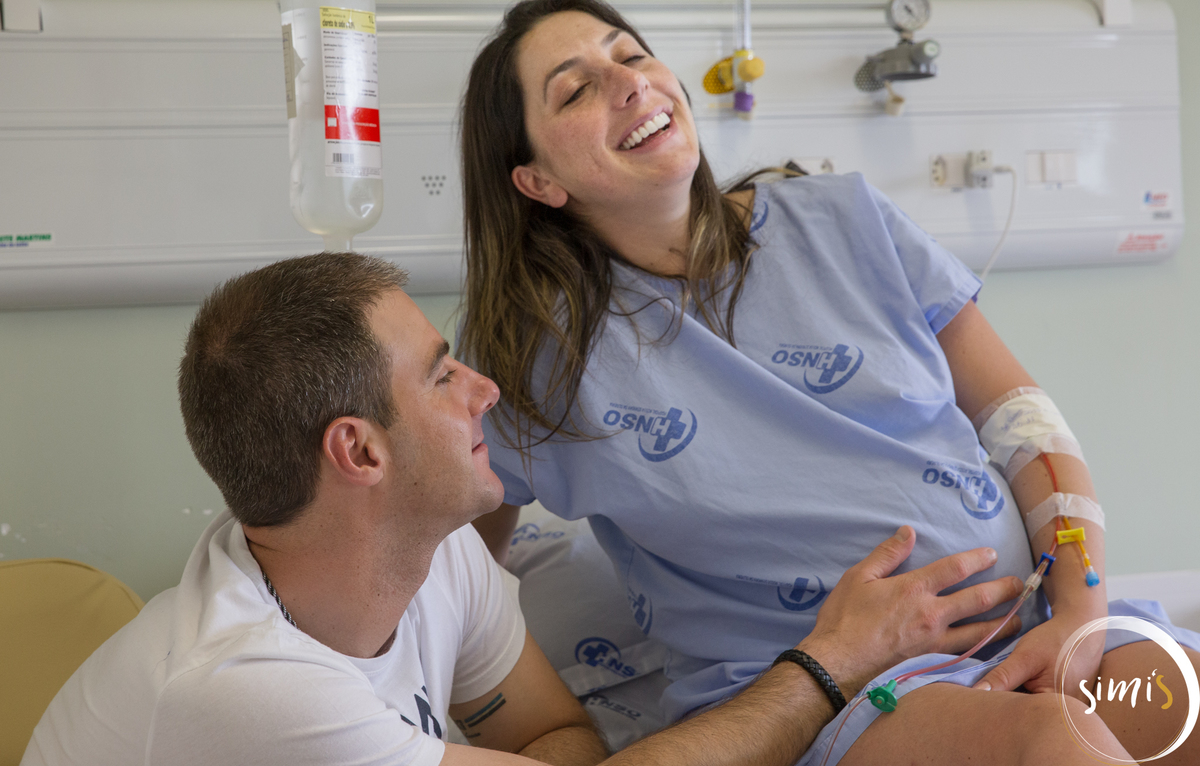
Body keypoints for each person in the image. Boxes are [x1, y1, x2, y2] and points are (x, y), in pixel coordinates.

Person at [457, 0, 1200, 766]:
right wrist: (531, 730)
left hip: (1037, 621)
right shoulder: (536, 361)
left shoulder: (847, 219)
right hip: (838, 697)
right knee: (1051, 742)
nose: (629, 82)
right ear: (536, 181)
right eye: (575, 89)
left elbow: (1022, 420)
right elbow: (454, 580)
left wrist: (1079, 610)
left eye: (631, 54)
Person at [22, 252, 1031, 766]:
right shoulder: (242, 687)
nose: (486, 390)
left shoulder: (437, 559)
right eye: (441, 374)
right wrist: (829, 662)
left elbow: (562, 739)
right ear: (358, 450)